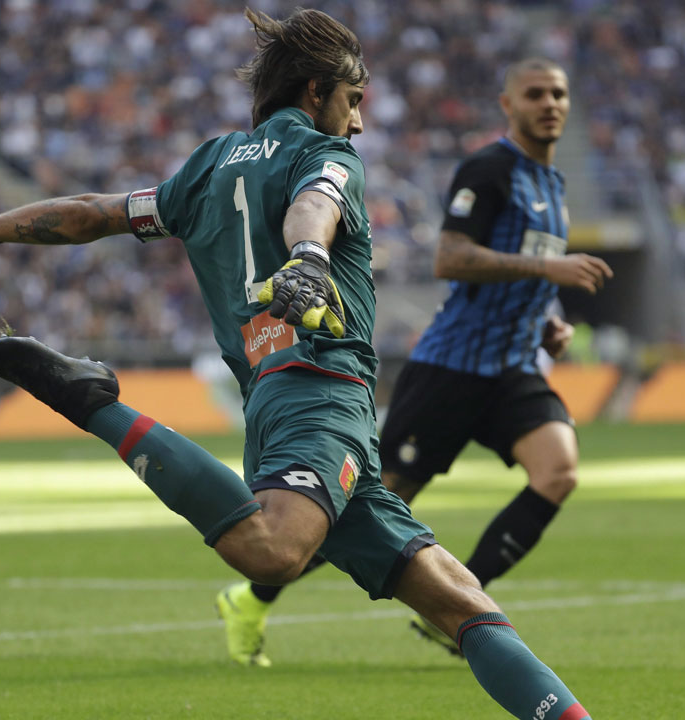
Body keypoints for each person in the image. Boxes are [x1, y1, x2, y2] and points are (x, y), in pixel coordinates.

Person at [0, 11, 592, 720]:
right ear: (316, 93)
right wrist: (310, 259)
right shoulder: (327, 155)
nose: (360, 124)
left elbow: (92, 212)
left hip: (283, 404)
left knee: (462, 603)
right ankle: (93, 402)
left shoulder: (208, 166)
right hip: (321, 393)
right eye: (353, 102)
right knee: (273, 553)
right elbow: (315, 205)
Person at [219, 57, 613, 662]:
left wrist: (547, 318)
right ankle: (253, 598)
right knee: (362, 508)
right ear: (509, 104)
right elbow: (451, 258)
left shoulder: (553, 185)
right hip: (450, 369)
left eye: (558, 93)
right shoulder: (489, 170)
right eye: (535, 94)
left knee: (558, 471)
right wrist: (549, 269)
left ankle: (458, 610)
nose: (550, 104)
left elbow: (523, 266)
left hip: (511, 367)